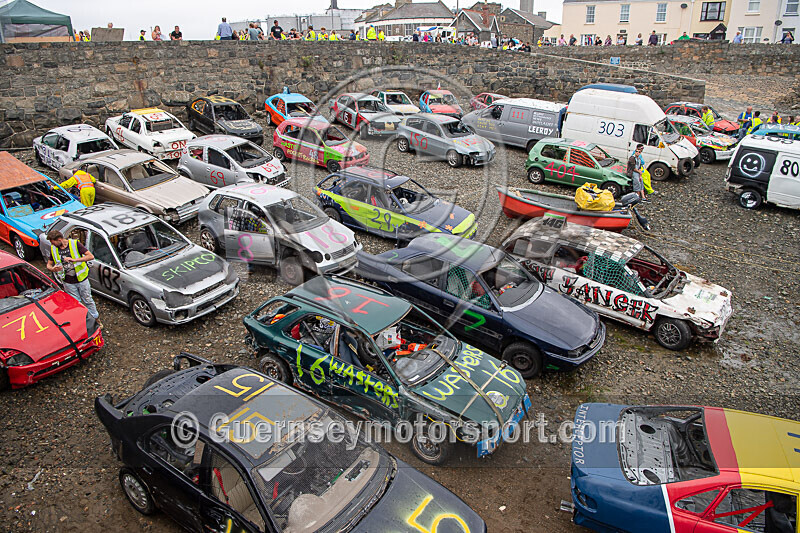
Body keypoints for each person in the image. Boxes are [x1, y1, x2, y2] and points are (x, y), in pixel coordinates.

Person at [46, 230, 101, 329]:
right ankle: (83, 323)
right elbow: (49, 265)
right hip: (68, 282)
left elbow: (90, 256)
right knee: (76, 303)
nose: (52, 244)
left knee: (88, 300)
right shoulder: (54, 249)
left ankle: (96, 321)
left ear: (59, 240)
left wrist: (75, 260)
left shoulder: (75, 244)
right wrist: (52, 269)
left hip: (81, 280)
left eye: (52, 242)